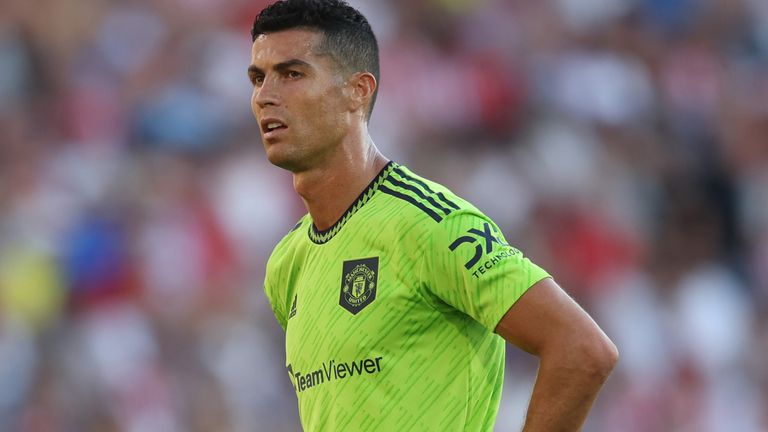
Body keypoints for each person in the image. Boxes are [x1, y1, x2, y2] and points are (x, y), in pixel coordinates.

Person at [248, 1, 618, 430]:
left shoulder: (431, 224)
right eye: (258, 78)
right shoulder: (286, 264)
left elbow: (582, 348)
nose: (265, 96)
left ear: (358, 90)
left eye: (292, 74)